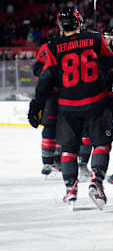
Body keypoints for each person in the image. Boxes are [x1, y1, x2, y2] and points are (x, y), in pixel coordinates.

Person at [27, 7, 113, 210]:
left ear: (61, 26)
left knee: (68, 149)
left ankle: (71, 190)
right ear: (79, 23)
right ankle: (97, 181)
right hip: (97, 101)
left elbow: (45, 78)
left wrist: (36, 104)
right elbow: (112, 63)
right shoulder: (95, 40)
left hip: (68, 106)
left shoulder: (52, 47)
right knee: (102, 144)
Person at [32, 42, 61, 178]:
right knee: (50, 127)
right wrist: (49, 73)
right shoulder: (49, 46)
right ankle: (48, 163)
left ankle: (60, 161)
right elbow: (37, 68)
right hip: (53, 94)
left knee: (67, 128)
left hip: (70, 93)